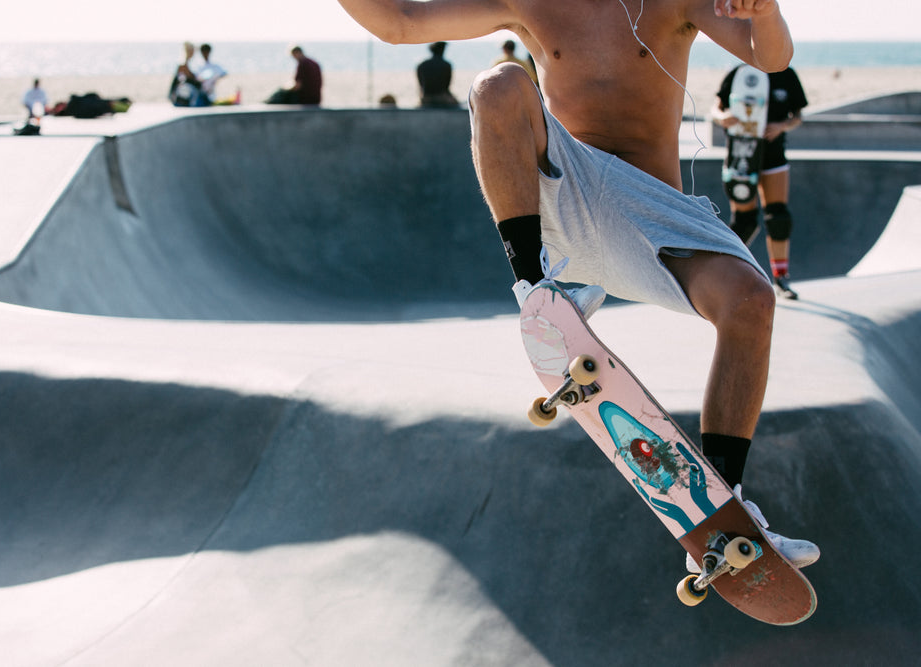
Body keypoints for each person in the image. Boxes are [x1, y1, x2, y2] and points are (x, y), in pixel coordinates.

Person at [335, 0, 819, 573]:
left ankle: (723, 513)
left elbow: (771, 55)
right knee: (499, 85)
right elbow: (400, 23)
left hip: (652, 210)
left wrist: (764, 12)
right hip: (564, 193)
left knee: (751, 302)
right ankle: (538, 293)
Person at [712, 65, 808, 299]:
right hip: (742, 156)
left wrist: (782, 126)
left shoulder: (786, 74)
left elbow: (798, 116)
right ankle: (724, 277)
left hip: (774, 155)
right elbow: (715, 109)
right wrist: (723, 118)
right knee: (744, 221)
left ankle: (781, 279)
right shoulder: (738, 73)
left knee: (778, 217)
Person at [416, 41, 457, 108]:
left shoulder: (422, 65)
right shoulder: (446, 65)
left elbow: (421, 85)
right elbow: (447, 86)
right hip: (441, 97)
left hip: (426, 98)